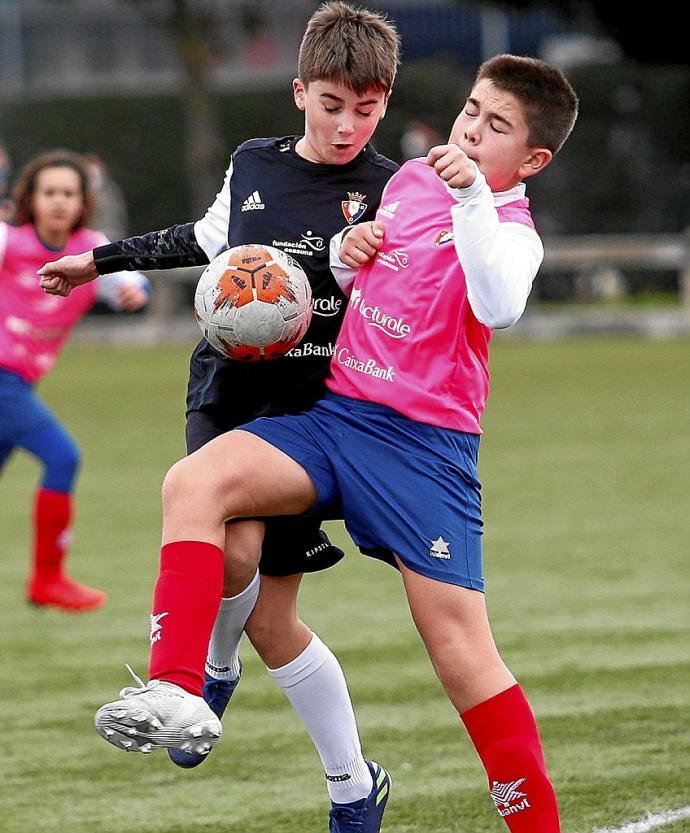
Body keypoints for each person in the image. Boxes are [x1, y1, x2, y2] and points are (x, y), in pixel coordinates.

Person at [64, 53, 579, 831]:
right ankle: (177, 687)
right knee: (193, 483)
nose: (471, 130)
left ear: (532, 159)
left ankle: (535, 824)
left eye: (496, 126)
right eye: (472, 110)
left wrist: (473, 193)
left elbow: (497, 301)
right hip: (337, 420)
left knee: (461, 656)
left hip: (425, 453)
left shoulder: (510, 230)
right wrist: (349, 253)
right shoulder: (408, 183)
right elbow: (353, 268)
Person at [39, 3, 400, 830]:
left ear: (384, 101)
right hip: (228, 396)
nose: (348, 124)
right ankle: (209, 673)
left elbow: (408, 299)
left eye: (368, 107)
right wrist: (97, 261)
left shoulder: (390, 190)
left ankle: (342, 782)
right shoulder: (254, 164)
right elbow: (205, 239)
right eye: (333, 103)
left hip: (313, 413)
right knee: (233, 560)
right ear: (300, 91)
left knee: (274, 618)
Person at [1, 150, 149, 611]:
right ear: (30, 199)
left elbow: (132, 280)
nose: (59, 202)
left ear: (84, 201)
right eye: (49, 193)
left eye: (69, 193)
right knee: (63, 458)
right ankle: (47, 579)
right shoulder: (9, 242)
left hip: (19, 385)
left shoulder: (88, 248)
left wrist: (134, 291)